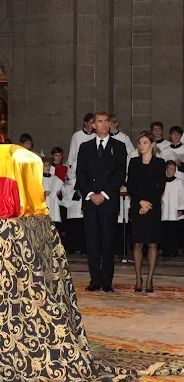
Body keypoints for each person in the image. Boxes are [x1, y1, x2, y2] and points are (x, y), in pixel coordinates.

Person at [76, 111, 127, 292]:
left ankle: (106, 281)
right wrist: (90, 193)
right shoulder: (85, 146)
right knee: (92, 242)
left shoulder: (119, 146)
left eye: (107, 122)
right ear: (93, 125)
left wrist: (103, 194)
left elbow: (120, 174)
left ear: (111, 125)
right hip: (90, 202)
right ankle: (94, 280)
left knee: (108, 242)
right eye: (100, 121)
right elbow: (80, 173)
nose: (104, 124)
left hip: (108, 201)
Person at [126, 132, 165, 293]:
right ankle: (138, 278)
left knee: (152, 243)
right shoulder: (134, 162)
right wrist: (140, 202)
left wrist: (148, 204)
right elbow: (131, 185)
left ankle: (149, 278)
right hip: (137, 205)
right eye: (139, 142)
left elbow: (160, 186)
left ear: (152, 144)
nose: (141, 145)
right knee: (137, 243)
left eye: (144, 142)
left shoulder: (159, 163)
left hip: (153, 206)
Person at [161, 161, 184, 258]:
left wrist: (181, 209)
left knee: (174, 232)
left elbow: (182, 196)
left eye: (174, 169)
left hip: (174, 212)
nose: (172, 171)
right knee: (165, 231)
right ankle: (165, 251)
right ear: (166, 169)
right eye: (170, 169)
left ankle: (174, 251)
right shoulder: (162, 182)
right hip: (164, 211)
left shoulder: (178, 182)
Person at [42, 158, 63, 230]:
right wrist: (43, 194)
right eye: (45, 165)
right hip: (44, 205)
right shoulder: (39, 179)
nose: (48, 167)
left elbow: (61, 193)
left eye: (49, 165)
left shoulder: (55, 178)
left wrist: (59, 193)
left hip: (53, 205)